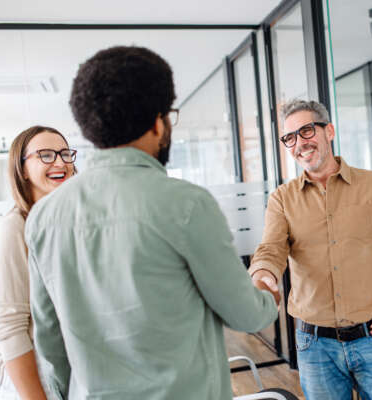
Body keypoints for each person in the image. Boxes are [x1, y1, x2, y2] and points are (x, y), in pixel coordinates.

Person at [25, 46, 280, 400]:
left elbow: (49, 342)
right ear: (158, 122)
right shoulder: (186, 204)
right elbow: (245, 315)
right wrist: (268, 292)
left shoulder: (43, 218)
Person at [249, 99, 372, 400]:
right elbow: (271, 250)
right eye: (289, 138)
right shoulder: (282, 198)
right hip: (314, 346)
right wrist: (263, 277)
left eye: (306, 131)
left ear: (328, 130)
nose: (299, 144)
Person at [0, 126, 76, 400]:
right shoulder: (14, 228)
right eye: (45, 155)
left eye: (65, 154)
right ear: (22, 169)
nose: (60, 162)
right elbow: (9, 327)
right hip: (35, 378)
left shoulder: (71, 223)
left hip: (72, 369)